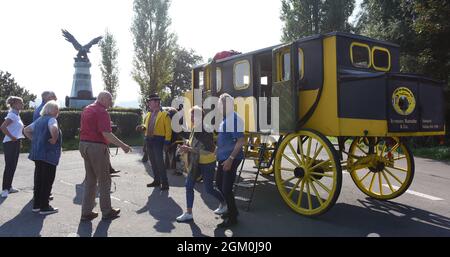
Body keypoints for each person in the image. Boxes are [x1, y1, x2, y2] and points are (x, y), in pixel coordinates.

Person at [79, 91, 132, 221]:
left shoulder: (87, 109)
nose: (110, 103)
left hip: (84, 145)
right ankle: (107, 211)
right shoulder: (102, 111)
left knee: (90, 180)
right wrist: (123, 145)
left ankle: (86, 212)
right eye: (109, 100)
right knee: (104, 180)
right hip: (96, 147)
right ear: (102, 99)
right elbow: (106, 134)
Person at [176, 106, 226, 222]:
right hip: (195, 162)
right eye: (192, 115)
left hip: (208, 162)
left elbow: (208, 150)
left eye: (195, 115)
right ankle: (189, 213)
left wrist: (189, 149)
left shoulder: (206, 129)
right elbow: (193, 142)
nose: (193, 117)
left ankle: (224, 203)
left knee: (208, 189)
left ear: (201, 116)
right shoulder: (194, 128)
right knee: (189, 185)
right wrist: (186, 144)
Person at [23, 100, 61, 214]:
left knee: (38, 179)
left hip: (37, 154)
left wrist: (35, 140)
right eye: (57, 109)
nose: (58, 111)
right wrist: (54, 139)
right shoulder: (51, 119)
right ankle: (44, 206)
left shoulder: (39, 120)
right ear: (52, 110)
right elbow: (54, 128)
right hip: (48, 154)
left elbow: (26, 130)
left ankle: (37, 205)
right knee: (47, 180)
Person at [215, 93, 246, 228]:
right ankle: (231, 211)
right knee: (220, 184)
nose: (220, 107)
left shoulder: (234, 119)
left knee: (226, 188)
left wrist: (230, 159)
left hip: (231, 158)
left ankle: (233, 217)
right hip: (223, 158)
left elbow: (240, 142)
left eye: (222, 104)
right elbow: (225, 140)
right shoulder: (226, 119)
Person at [136, 94, 172, 190]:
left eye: (150, 101)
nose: (148, 103)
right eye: (149, 102)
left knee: (160, 162)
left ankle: (165, 183)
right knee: (153, 161)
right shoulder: (148, 114)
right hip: (149, 139)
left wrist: (167, 142)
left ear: (156, 102)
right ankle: (157, 180)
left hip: (158, 140)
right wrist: (142, 127)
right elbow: (146, 126)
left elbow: (168, 130)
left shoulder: (165, 114)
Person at [33, 91, 57, 201]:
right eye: (52, 97)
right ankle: (43, 198)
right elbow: (51, 128)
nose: (55, 98)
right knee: (45, 175)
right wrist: (54, 139)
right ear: (45, 98)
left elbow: (28, 129)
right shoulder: (47, 112)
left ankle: (39, 198)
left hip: (39, 147)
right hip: (45, 149)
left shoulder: (41, 109)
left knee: (40, 173)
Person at [1, 96, 25, 198]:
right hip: (10, 143)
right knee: (9, 165)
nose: (22, 105)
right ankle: (5, 189)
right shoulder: (12, 115)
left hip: (15, 142)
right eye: (20, 103)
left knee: (13, 165)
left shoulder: (17, 115)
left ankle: (9, 186)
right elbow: (2, 127)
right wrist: (12, 137)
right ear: (14, 104)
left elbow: (17, 129)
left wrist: (18, 139)